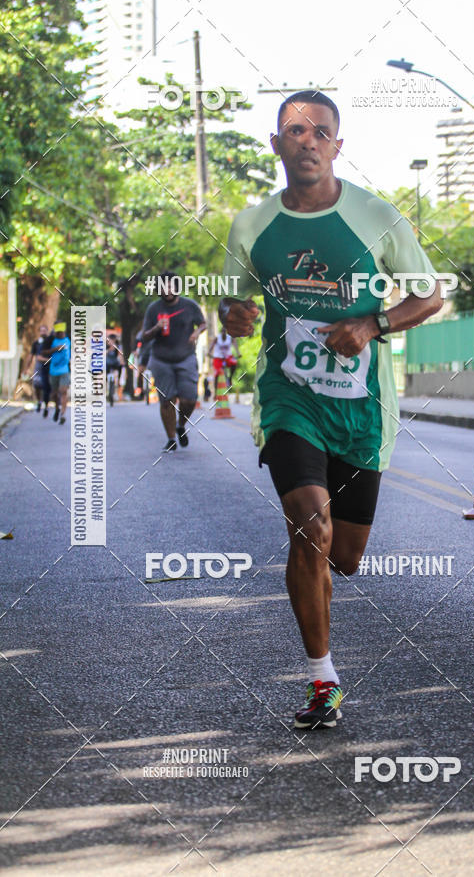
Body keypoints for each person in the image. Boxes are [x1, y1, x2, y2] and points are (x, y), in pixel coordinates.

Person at [221, 91, 443, 729]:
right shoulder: (251, 226)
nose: (308, 140)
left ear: (337, 146)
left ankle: (324, 640)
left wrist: (373, 323)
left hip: (362, 408)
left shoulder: (376, 216)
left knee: (343, 555)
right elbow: (237, 309)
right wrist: (234, 317)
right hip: (290, 396)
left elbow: (429, 295)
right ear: (277, 144)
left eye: (321, 131)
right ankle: (323, 680)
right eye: (295, 130)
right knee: (307, 528)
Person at [142, 273, 206, 451]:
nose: (167, 290)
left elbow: (203, 323)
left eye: (171, 286)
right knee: (166, 401)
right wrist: (156, 327)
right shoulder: (153, 309)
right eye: (163, 287)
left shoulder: (189, 305)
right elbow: (145, 336)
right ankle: (171, 439)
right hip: (161, 360)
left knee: (189, 400)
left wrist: (196, 332)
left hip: (186, 358)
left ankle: (181, 426)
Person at [47, 321, 71, 424]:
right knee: (54, 394)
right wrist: (55, 349)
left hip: (65, 370)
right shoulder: (51, 340)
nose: (62, 333)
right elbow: (44, 351)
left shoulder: (68, 338)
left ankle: (63, 414)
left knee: (63, 391)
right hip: (53, 370)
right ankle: (57, 408)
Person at [28, 325, 53, 416]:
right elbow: (34, 356)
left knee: (47, 388)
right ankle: (39, 401)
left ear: (47, 331)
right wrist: (26, 368)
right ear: (39, 332)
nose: (43, 332)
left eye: (45, 330)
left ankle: (46, 405)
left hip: (49, 368)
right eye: (41, 330)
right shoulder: (36, 343)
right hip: (39, 368)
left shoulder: (51, 342)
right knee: (37, 385)